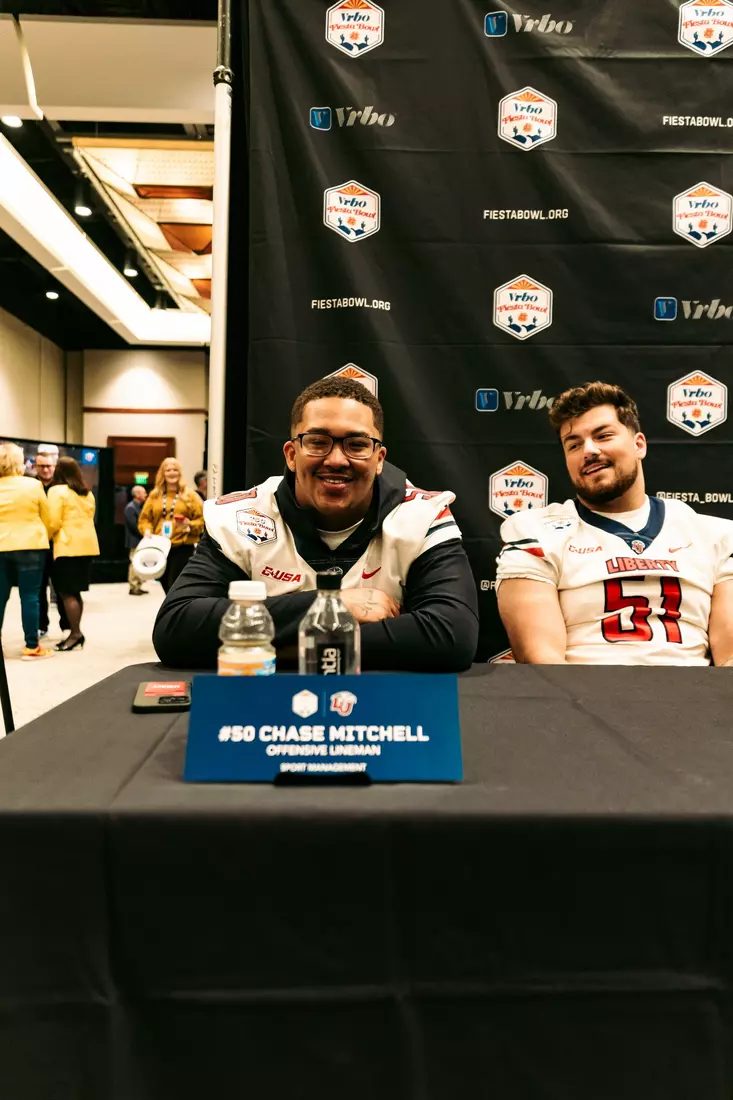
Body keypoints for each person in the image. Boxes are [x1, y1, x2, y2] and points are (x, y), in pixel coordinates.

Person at [153, 377, 479, 670]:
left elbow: (451, 635)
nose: (336, 459)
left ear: (379, 459)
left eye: (357, 444)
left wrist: (265, 646)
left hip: (387, 713)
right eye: (318, 441)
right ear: (292, 454)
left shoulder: (422, 515)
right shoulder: (240, 517)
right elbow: (177, 629)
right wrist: (335, 607)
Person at [496, 381, 733, 665]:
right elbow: (542, 659)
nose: (589, 450)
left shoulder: (715, 535)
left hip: (693, 701)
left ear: (639, 445)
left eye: (603, 435)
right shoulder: (534, 531)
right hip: (579, 701)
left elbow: (730, 658)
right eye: (574, 445)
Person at [0, 443, 54, 659]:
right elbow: (47, 518)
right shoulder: (33, 486)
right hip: (31, 546)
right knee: (30, 597)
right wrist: (45, 536)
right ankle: (32, 646)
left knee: (0, 597)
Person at [47, 457, 100, 652]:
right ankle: (75, 632)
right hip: (87, 546)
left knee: (66, 593)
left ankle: (76, 633)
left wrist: (45, 537)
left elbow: (53, 521)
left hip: (67, 546)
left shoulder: (57, 491)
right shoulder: (87, 493)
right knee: (75, 592)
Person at [138, 458, 204, 594]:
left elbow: (202, 520)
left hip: (181, 547)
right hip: (159, 547)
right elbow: (144, 519)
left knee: (175, 587)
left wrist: (188, 524)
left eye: (175, 469)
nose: (172, 473)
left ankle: (174, 613)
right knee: (165, 583)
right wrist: (147, 530)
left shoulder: (190, 495)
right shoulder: (154, 495)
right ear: (162, 473)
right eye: (168, 470)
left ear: (180, 473)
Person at [34, 444, 69, 637]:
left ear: (55, 466)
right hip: (36, 544)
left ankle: (66, 625)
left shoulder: (63, 488)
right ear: (36, 467)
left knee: (62, 588)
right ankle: (41, 625)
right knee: (38, 589)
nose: (45, 470)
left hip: (59, 544)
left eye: (49, 466)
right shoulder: (31, 485)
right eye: (41, 466)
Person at [124, 485, 148, 595]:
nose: (146, 495)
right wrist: (145, 532)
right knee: (134, 563)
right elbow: (134, 526)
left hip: (140, 540)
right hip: (134, 540)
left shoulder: (138, 507)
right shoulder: (131, 508)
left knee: (139, 563)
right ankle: (133, 586)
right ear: (137, 494)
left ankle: (138, 585)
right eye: (143, 493)